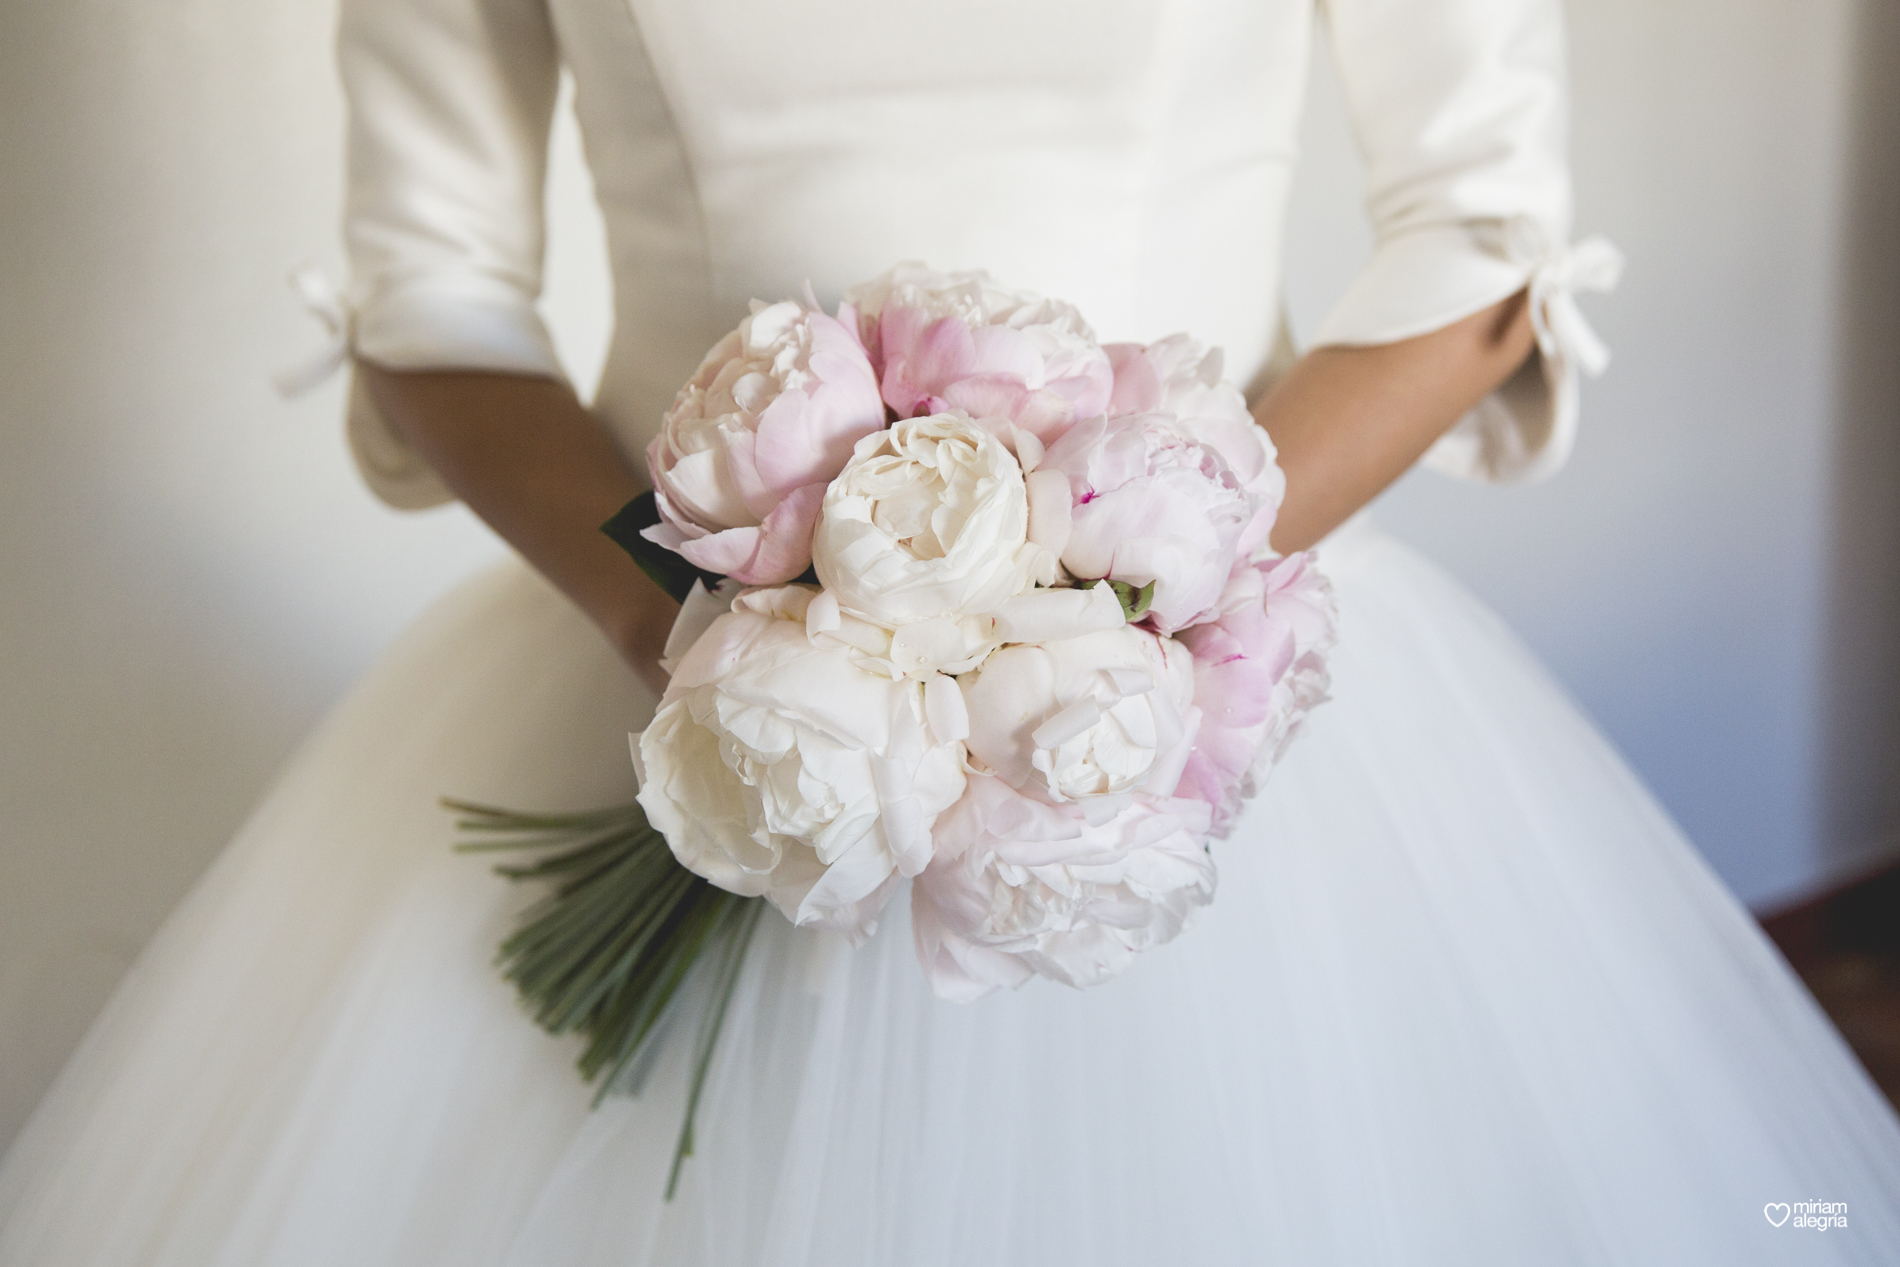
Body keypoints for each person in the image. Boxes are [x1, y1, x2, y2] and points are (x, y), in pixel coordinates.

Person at [3, 0, 1898, 1262]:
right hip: (680, 672)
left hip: (1189, 678)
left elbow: (1488, 243)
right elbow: (431, 284)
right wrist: (708, 634)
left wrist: (1119, 608)